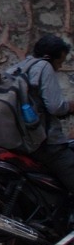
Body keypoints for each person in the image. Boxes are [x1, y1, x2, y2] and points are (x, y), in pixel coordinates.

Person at [15, 34, 74, 194]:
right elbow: (56, 107)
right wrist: (70, 106)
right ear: (48, 57)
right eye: (59, 62)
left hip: (17, 140)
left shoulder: (21, 66)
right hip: (43, 143)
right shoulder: (44, 67)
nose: (59, 67)